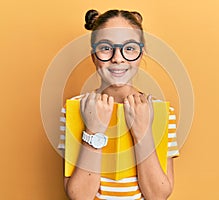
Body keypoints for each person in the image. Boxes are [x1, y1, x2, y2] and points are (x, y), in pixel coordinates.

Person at [58, 9, 179, 200]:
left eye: (129, 48)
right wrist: (94, 131)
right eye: (106, 48)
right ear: (94, 56)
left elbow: (158, 195)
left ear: (140, 55)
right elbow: (79, 196)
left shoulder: (161, 112)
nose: (118, 58)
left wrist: (142, 132)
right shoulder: (75, 109)